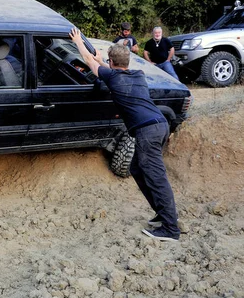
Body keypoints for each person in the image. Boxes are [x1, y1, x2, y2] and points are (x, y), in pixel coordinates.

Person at [69, 28, 180, 242]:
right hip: (159, 125)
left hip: (147, 130)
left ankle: (170, 229)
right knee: (136, 168)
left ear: (112, 63)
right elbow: (107, 70)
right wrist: (102, 61)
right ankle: (161, 213)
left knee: (156, 178)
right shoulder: (136, 74)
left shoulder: (112, 76)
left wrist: (78, 41)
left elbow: (87, 61)